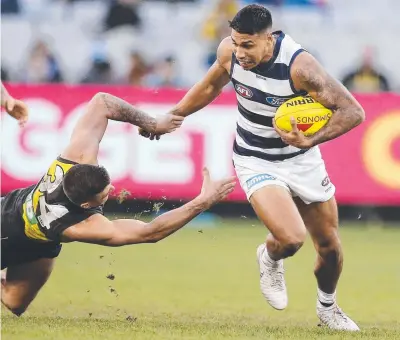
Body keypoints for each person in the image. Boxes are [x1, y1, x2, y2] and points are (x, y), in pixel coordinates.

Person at [140, 4, 365, 331]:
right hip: (255, 158)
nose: (240, 52)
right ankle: (270, 258)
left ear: (269, 40)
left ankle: (328, 308)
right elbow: (209, 86)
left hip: (301, 159)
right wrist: (172, 116)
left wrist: (311, 140)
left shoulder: (300, 67)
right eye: (235, 42)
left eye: (248, 45)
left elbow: (353, 111)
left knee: (330, 247)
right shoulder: (229, 52)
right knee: (290, 239)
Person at [1, 92, 236, 316]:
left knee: (15, 303)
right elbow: (150, 232)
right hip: (6, 231)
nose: (111, 190)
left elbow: (102, 102)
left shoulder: (76, 156)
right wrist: (202, 202)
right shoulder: (81, 226)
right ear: (85, 206)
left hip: (36, 237)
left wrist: (153, 123)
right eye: (104, 194)